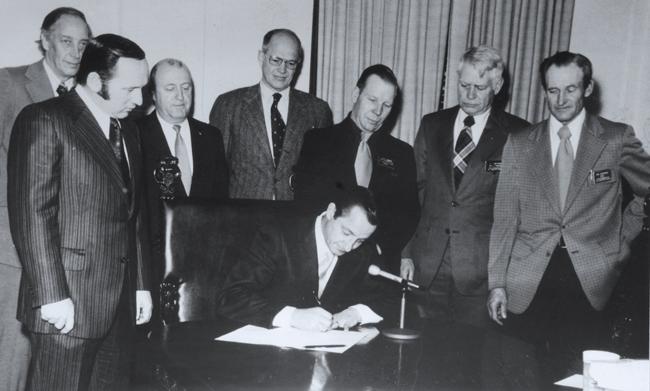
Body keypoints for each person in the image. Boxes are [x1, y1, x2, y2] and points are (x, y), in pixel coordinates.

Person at [487, 51, 650, 379]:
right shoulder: (519, 144)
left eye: (571, 89)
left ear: (587, 89)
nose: (561, 99)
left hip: (588, 281)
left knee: (577, 377)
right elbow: (505, 218)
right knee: (520, 376)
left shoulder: (616, 139)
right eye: (552, 90)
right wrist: (497, 283)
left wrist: (620, 240)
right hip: (528, 281)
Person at [7, 33, 153, 390]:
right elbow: (32, 214)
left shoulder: (129, 131)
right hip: (66, 305)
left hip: (117, 306)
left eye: (143, 88)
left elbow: (131, 216)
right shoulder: (44, 119)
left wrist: (142, 286)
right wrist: (51, 294)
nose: (140, 99)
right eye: (130, 89)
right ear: (93, 82)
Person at [400, 46, 529, 327]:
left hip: (479, 274)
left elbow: (518, 214)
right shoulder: (432, 125)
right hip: (427, 266)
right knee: (420, 358)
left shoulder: (518, 135)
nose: (470, 95)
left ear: (497, 85)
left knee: (468, 362)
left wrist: (501, 282)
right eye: (464, 85)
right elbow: (413, 194)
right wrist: (406, 252)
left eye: (479, 87)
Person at [0, 7, 90, 390]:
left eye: (83, 44)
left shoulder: (86, 96)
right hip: (13, 249)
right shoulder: (9, 83)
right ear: (46, 38)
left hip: (66, 254)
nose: (75, 52)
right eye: (66, 41)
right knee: (12, 359)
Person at [293, 64, 419, 273]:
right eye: (372, 100)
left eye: (387, 105)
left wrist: (376, 249)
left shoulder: (402, 154)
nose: (378, 111)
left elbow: (408, 214)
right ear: (355, 94)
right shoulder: (317, 142)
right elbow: (307, 204)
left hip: (374, 267)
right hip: (325, 261)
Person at [218, 186, 390, 331]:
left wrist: (356, 312)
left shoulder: (363, 252)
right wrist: (293, 316)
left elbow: (387, 297)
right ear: (331, 212)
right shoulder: (278, 236)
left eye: (360, 240)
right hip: (268, 356)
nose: (349, 247)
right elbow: (230, 297)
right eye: (346, 233)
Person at [138, 58, 229, 307]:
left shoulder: (211, 136)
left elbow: (221, 206)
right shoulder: (136, 134)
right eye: (170, 89)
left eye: (186, 87)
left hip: (204, 271)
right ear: (153, 95)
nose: (180, 96)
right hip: (153, 270)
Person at [209, 28, 333, 200]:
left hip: (295, 217)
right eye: (276, 60)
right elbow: (215, 174)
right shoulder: (229, 105)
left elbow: (323, 176)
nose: (282, 70)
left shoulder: (317, 110)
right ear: (261, 57)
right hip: (243, 217)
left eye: (291, 63)